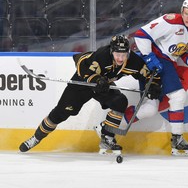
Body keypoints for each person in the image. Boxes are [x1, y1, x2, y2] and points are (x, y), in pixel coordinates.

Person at [19, 35, 161, 155]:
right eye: (118, 54)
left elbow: (148, 74)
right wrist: (96, 79)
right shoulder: (101, 56)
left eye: (124, 55)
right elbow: (81, 63)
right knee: (60, 113)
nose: (120, 58)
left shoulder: (133, 61)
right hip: (82, 84)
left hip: (103, 86)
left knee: (120, 101)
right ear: (112, 51)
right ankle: (36, 137)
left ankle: (107, 137)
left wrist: (153, 85)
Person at [125, 0, 188, 156]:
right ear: (181, 11)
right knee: (178, 96)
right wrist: (149, 57)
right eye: (185, 13)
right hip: (154, 60)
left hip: (166, 63)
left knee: (150, 109)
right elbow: (141, 34)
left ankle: (111, 126)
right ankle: (177, 139)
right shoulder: (170, 21)